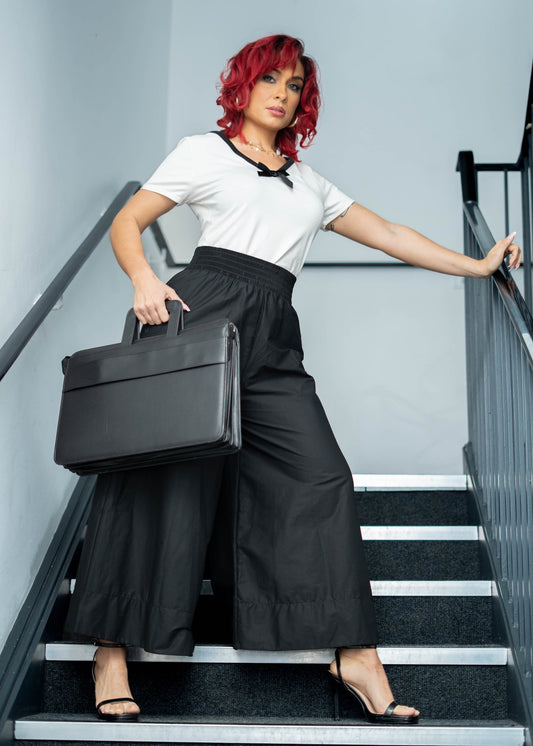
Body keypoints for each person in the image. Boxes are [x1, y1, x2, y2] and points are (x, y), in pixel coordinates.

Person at [64, 34, 521, 725]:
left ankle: (355, 652)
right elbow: (130, 220)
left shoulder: (309, 184)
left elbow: (390, 234)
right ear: (243, 86)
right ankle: (110, 651)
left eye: (295, 84)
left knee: (321, 476)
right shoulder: (203, 152)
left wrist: (477, 266)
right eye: (270, 79)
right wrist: (143, 279)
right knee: (161, 482)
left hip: (273, 332)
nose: (282, 93)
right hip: (198, 314)